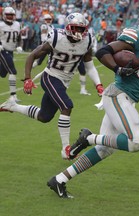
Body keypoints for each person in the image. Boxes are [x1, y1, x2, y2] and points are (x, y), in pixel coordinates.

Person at [46, 6, 139, 198]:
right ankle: (88, 138)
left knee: (104, 150)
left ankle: (60, 180)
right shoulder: (136, 36)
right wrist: (117, 69)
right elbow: (103, 51)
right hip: (118, 95)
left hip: (127, 100)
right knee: (137, 140)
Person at [0, 12, 103, 160]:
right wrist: (28, 78)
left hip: (65, 81)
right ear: (68, 27)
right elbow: (32, 56)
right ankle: (66, 149)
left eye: (81, 29)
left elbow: (90, 66)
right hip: (51, 76)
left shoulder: (86, 41)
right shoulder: (56, 37)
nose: (78, 32)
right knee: (67, 106)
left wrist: (98, 85)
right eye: (75, 28)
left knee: (44, 116)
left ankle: (12, 106)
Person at [0, 7, 23, 102]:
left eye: (11, 15)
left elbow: (19, 38)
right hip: (2, 50)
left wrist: (20, 46)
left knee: (3, 74)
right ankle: (13, 96)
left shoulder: (17, 24)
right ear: (4, 15)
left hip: (11, 51)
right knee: (13, 71)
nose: (10, 17)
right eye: (8, 15)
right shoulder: (1, 25)